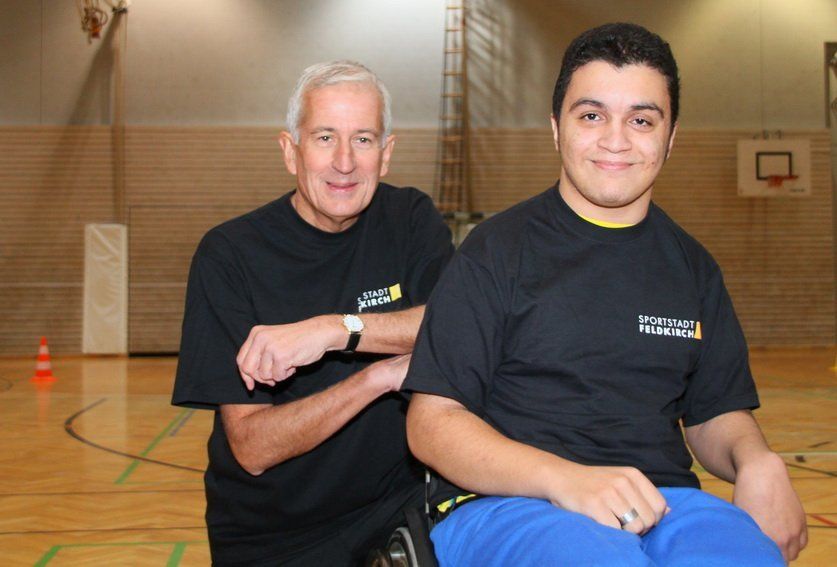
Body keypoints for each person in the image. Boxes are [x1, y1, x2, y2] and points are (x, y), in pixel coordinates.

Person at [404, 23, 807, 566]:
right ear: (556, 127)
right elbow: (432, 422)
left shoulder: (693, 267)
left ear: (671, 137)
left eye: (641, 120)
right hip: (509, 502)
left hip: (664, 502)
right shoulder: (495, 251)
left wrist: (757, 460)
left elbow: (715, 414)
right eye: (592, 116)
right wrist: (564, 479)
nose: (616, 140)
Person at [172, 60, 453, 566]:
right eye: (325, 138)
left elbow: (452, 324)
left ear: (386, 154)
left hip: (397, 508)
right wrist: (376, 378)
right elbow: (253, 448)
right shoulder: (230, 256)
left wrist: (334, 330)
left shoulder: (410, 219)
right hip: (276, 535)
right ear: (290, 150)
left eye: (363, 139)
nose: (344, 162)